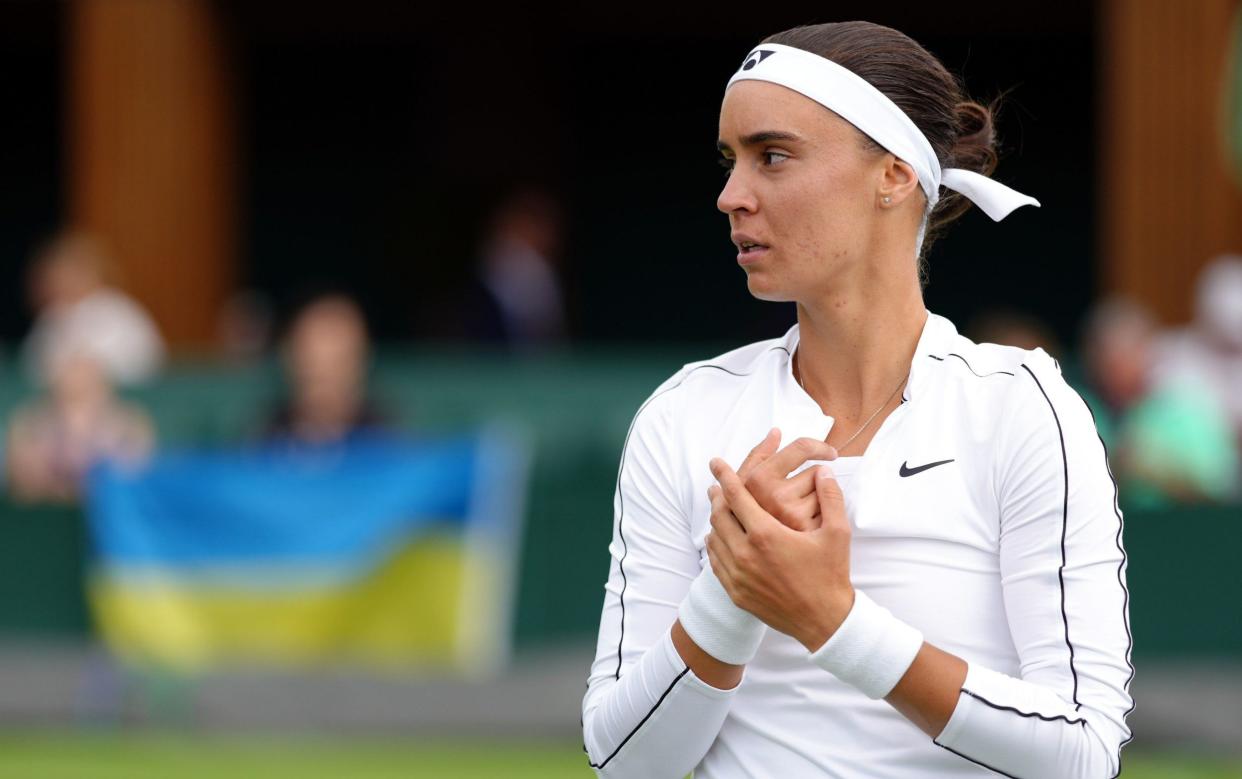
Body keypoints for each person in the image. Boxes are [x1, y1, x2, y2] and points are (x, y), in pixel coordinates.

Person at [581, 22, 1133, 779]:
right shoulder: (683, 414)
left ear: (895, 175)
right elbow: (622, 760)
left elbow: (1082, 751)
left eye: (772, 156)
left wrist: (831, 619)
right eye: (731, 161)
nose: (730, 196)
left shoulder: (1022, 407)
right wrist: (732, 594)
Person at [1080, 297, 1238, 508]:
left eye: (1129, 352)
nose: (1118, 366)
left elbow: (1221, 489)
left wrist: (1159, 473)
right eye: (1107, 354)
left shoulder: (1185, 412)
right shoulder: (1075, 410)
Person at [5, 351, 155, 504]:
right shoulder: (29, 422)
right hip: (45, 511)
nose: (77, 382)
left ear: (104, 388)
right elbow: (22, 481)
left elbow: (136, 474)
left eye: (88, 382)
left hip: (109, 511)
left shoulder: (129, 424)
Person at [21, 231, 165, 386]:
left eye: (70, 271)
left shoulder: (115, 309)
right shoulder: (52, 315)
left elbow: (130, 363)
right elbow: (34, 363)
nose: (61, 280)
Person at [263, 293, 388, 446]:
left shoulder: (387, 442)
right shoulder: (263, 444)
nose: (326, 388)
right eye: (313, 365)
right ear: (289, 359)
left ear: (363, 361)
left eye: (339, 362)